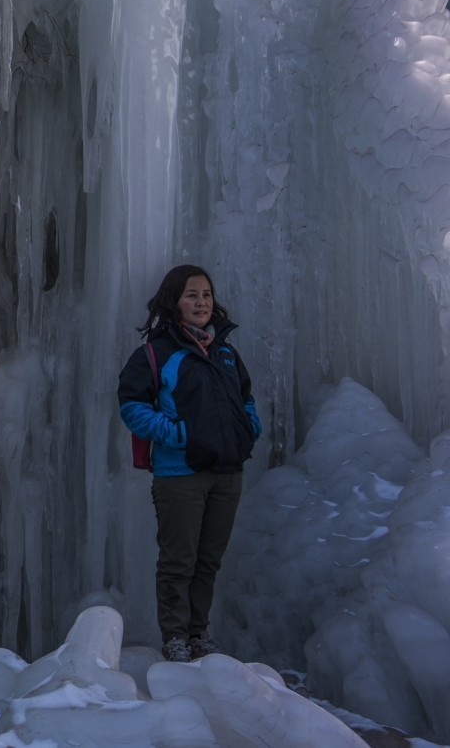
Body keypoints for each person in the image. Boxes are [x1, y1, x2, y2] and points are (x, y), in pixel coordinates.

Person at [117, 264, 262, 663]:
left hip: (227, 473)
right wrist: (176, 434)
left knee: (208, 560)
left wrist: (249, 427)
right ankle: (176, 636)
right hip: (179, 474)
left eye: (206, 295)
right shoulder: (156, 352)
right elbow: (131, 406)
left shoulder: (227, 352)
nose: (201, 302)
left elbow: (245, 398)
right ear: (173, 302)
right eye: (191, 295)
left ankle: (200, 633)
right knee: (179, 559)